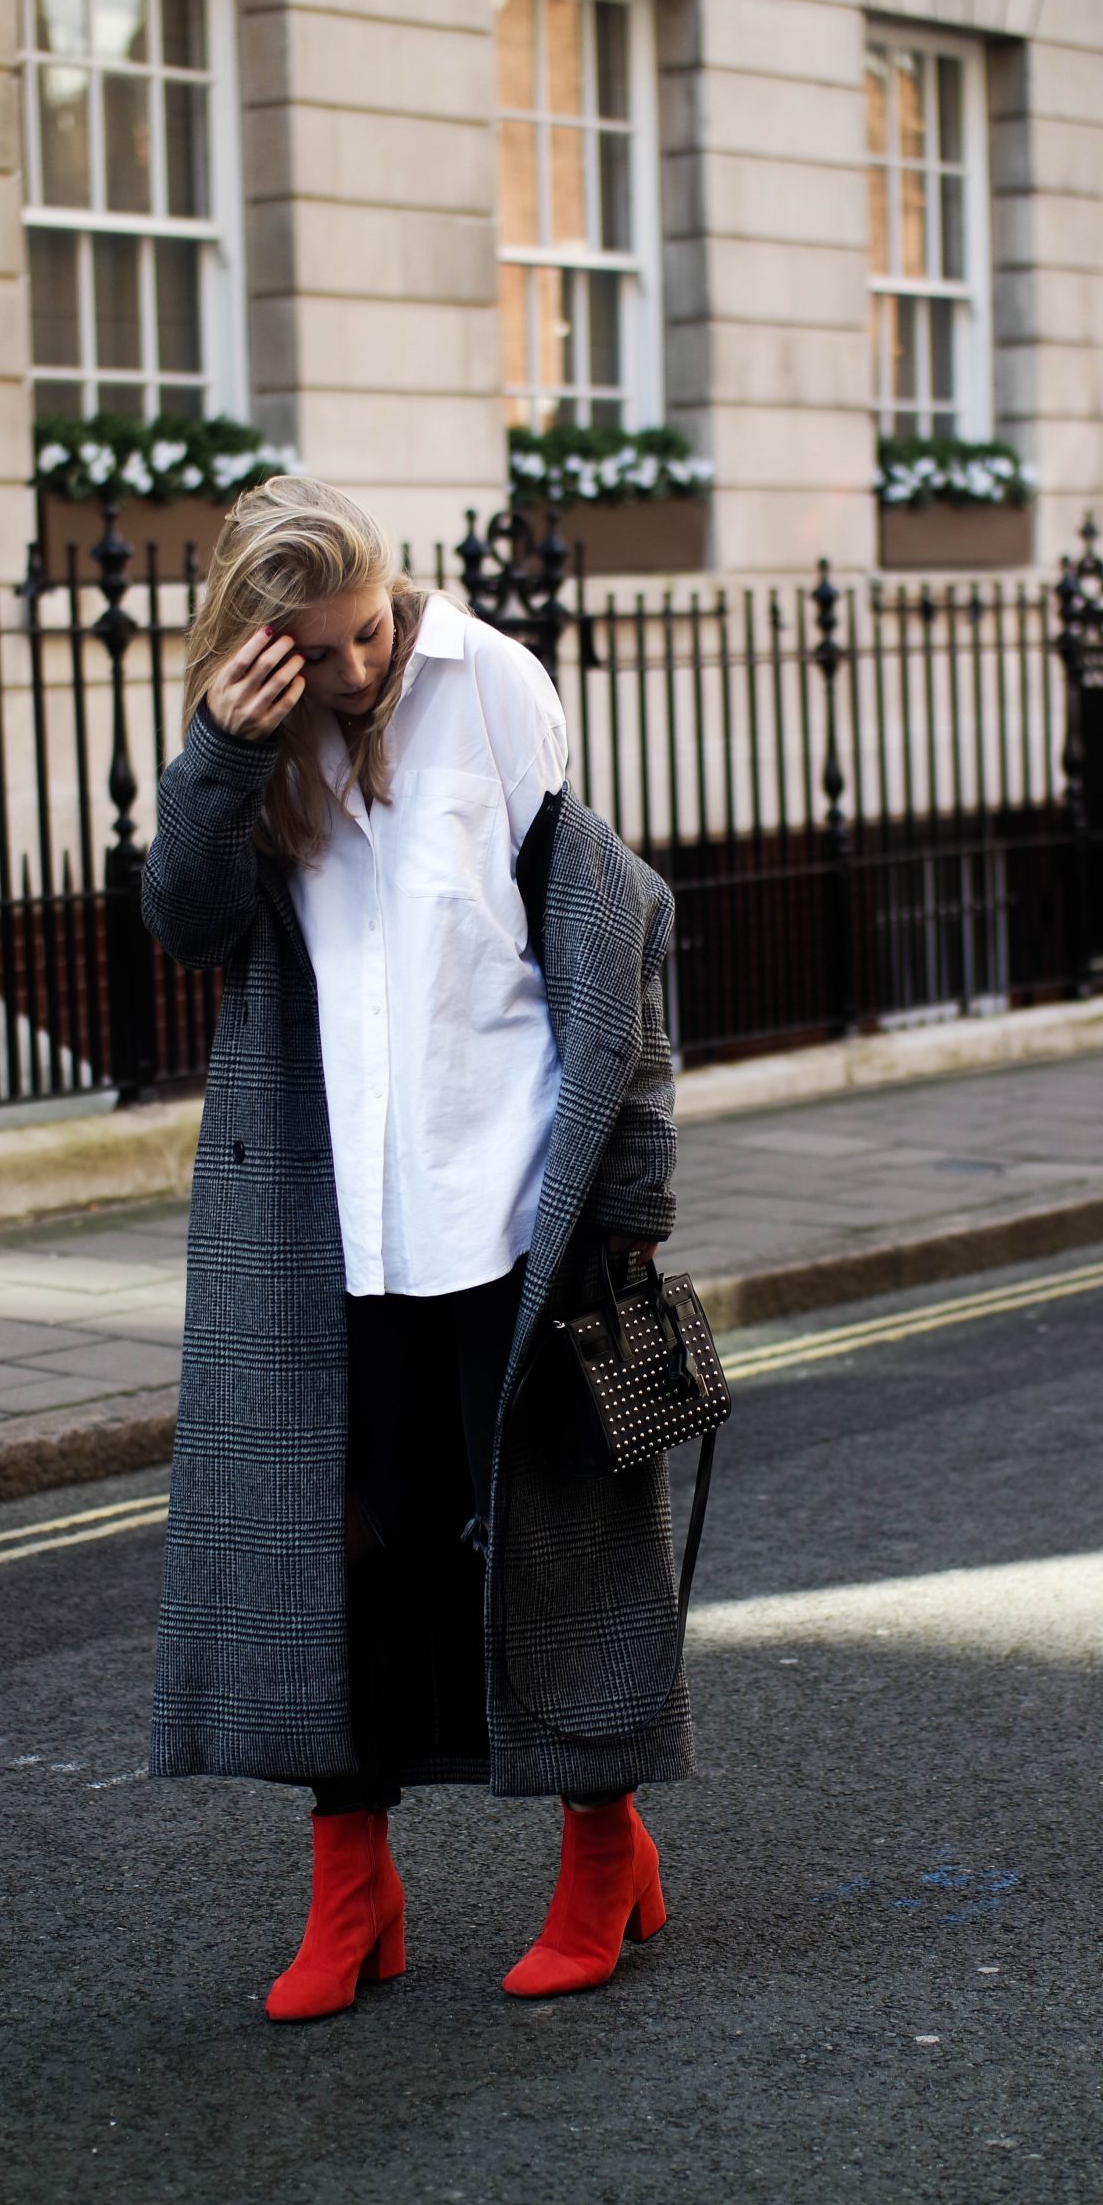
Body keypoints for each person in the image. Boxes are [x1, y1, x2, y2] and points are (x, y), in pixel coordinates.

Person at [142, 475, 690, 2020]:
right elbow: (184, 924)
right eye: (313, 650)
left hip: (519, 1204)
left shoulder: (496, 686)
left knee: (559, 1539)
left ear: (397, 594)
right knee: (348, 1560)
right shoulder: (252, 743)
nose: (355, 668)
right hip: (329, 1230)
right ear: (258, 644)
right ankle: (353, 1888)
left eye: (367, 629)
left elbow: (620, 954)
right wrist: (222, 757)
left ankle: (603, 1851)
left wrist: (634, 1198)